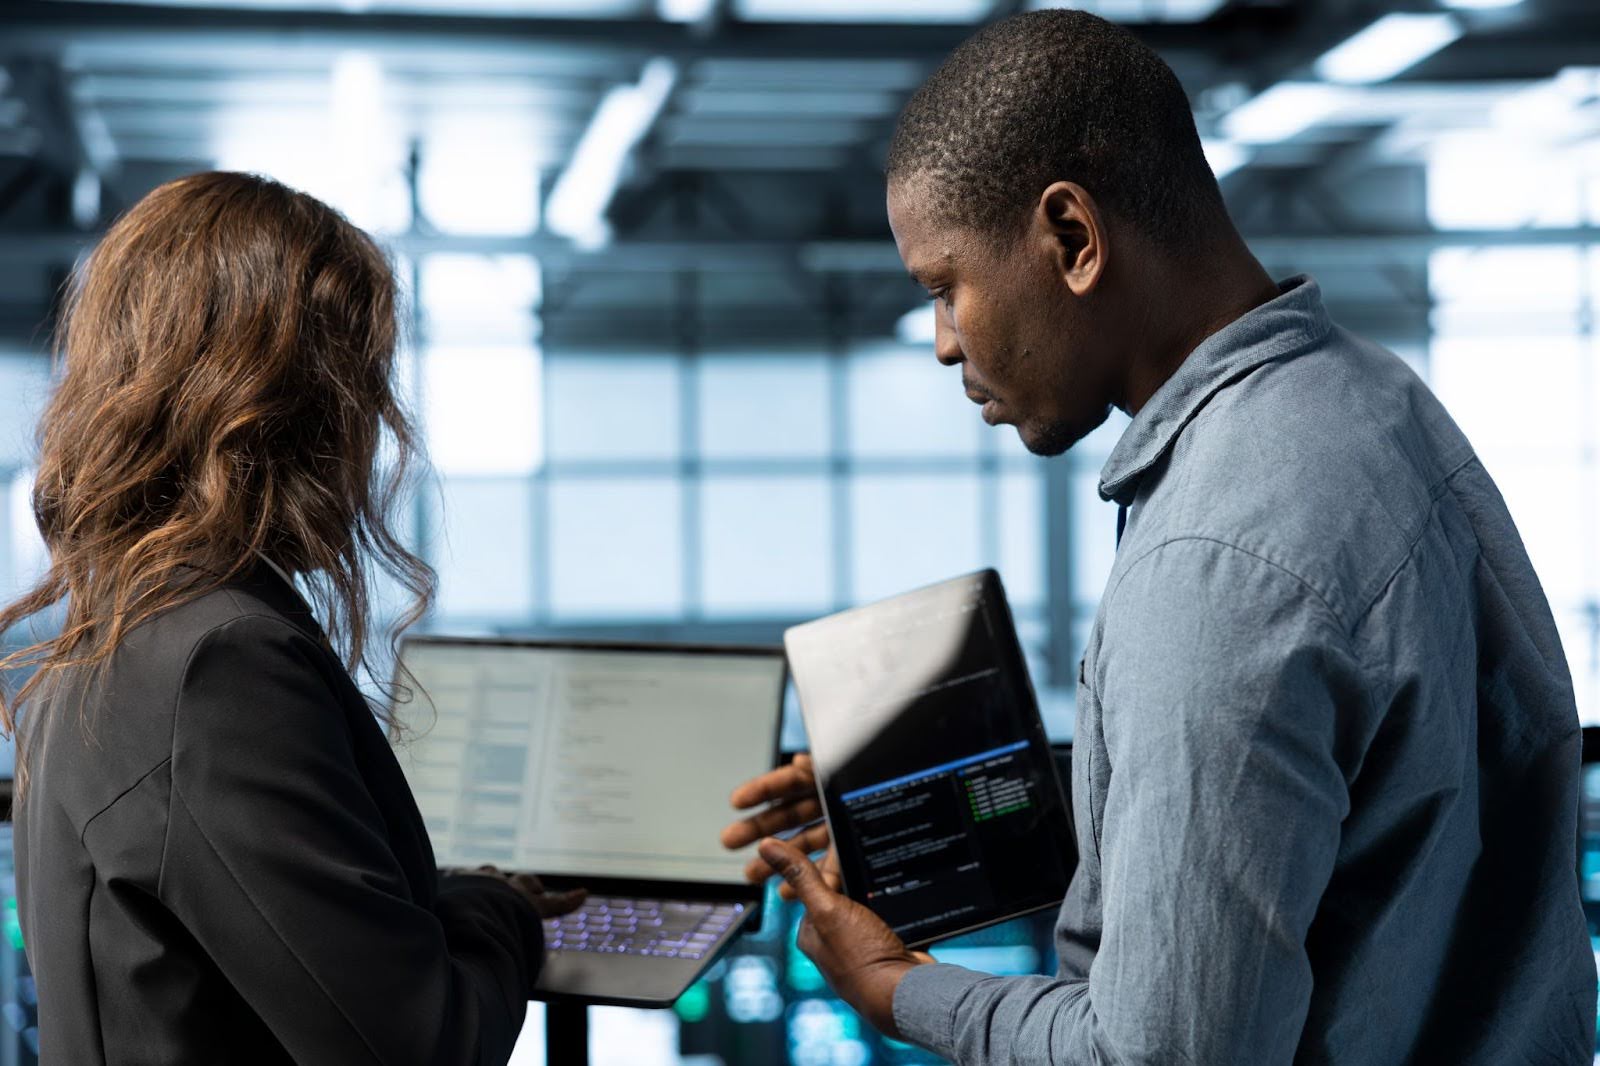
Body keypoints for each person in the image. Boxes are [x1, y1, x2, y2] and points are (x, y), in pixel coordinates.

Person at [723, 11, 1596, 1064]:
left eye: (945, 287)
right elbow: (1326, 813)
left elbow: (1161, 1056)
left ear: (1071, 240)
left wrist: (897, 985)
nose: (945, 341)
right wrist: (920, 807)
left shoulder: (1215, 558)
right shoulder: (1367, 401)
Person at [0, 171, 583, 1064]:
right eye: (363, 392)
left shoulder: (112, 636)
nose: (374, 438)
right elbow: (427, 1045)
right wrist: (500, 909)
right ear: (288, 413)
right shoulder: (218, 663)